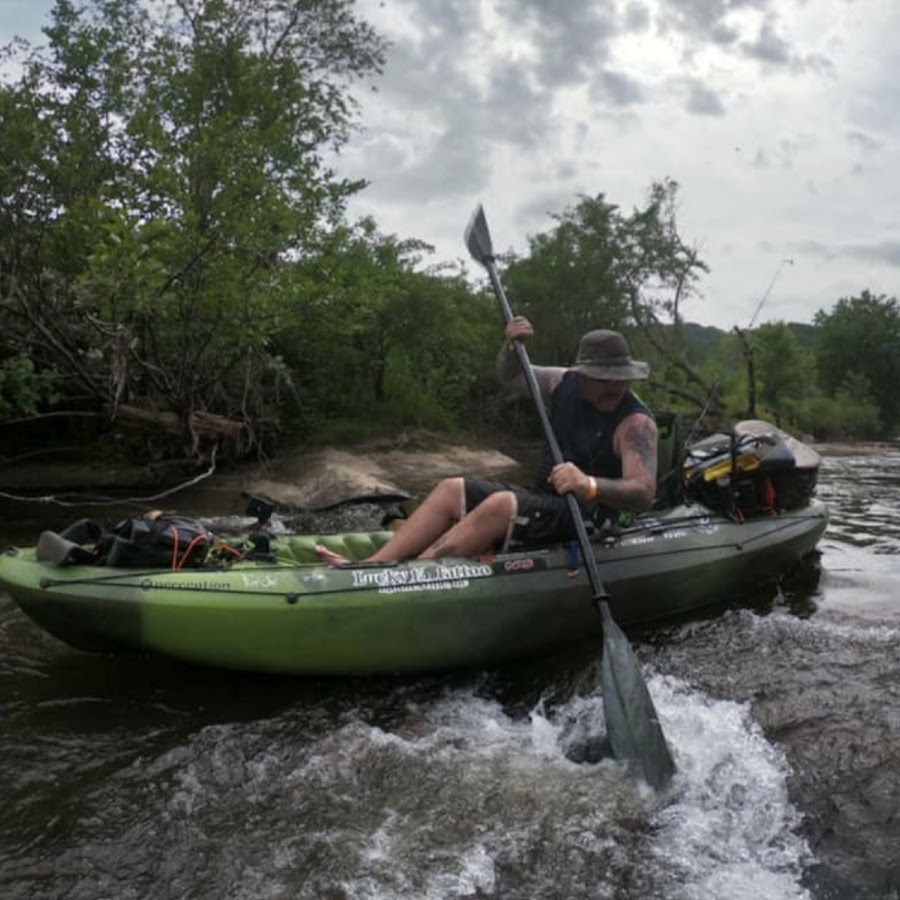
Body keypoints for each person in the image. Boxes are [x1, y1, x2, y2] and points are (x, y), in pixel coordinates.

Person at [315, 316, 657, 565]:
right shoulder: (560, 383)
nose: (616, 386)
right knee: (452, 487)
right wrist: (511, 347)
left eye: (621, 378)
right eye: (605, 378)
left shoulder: (635, 423)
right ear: (583, 375)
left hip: (592, 515)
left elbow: (643, 493)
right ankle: (373, 566)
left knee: (501, 504)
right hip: (546, 498)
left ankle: (412, 574)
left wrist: (590, 485)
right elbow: (509, 374)